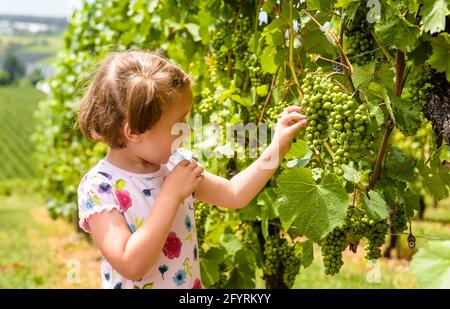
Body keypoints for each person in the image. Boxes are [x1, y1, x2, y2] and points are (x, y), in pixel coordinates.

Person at [76, 50, 307, 288]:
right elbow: (131, 265)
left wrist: (277, 148)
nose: (186, 131)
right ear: (133, 131)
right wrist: (171, 194)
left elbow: (234, 194)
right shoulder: (100, 187)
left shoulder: (176, 164)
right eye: (178, 124)